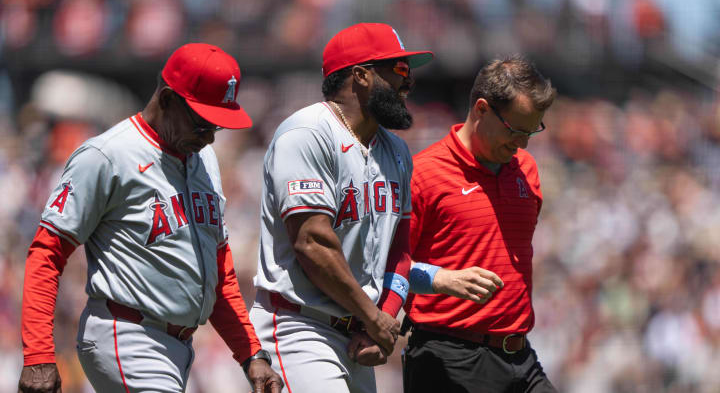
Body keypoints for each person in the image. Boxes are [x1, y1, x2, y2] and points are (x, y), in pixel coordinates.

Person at [18, 43, 283, 393]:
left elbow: (220, 273)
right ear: (169, 99)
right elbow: (46, 252)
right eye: (204, 123)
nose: (210, 137)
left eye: (217, 127)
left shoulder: (204, 161)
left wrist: (251, 354)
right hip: (126, 334)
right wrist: (38, 354)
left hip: (178, 347)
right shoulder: (108, 155)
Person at [249, 23, 433, 393]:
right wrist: (373, 318)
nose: (408, 82)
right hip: (298, 325)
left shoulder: (395, 150)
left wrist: (384, 317)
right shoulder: (307, 133)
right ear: (361, 75)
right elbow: (312, 244)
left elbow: (399, 251)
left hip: (355, 334)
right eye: (398, 69)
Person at [401, 55, 558, 393]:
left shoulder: (526, 168)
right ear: (482, 109)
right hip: (449, 357)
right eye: (516, 130)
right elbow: (385, 267)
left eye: (532, 131)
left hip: (520, 357)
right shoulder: (423, 174)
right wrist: (441, 279)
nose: (523, 144)